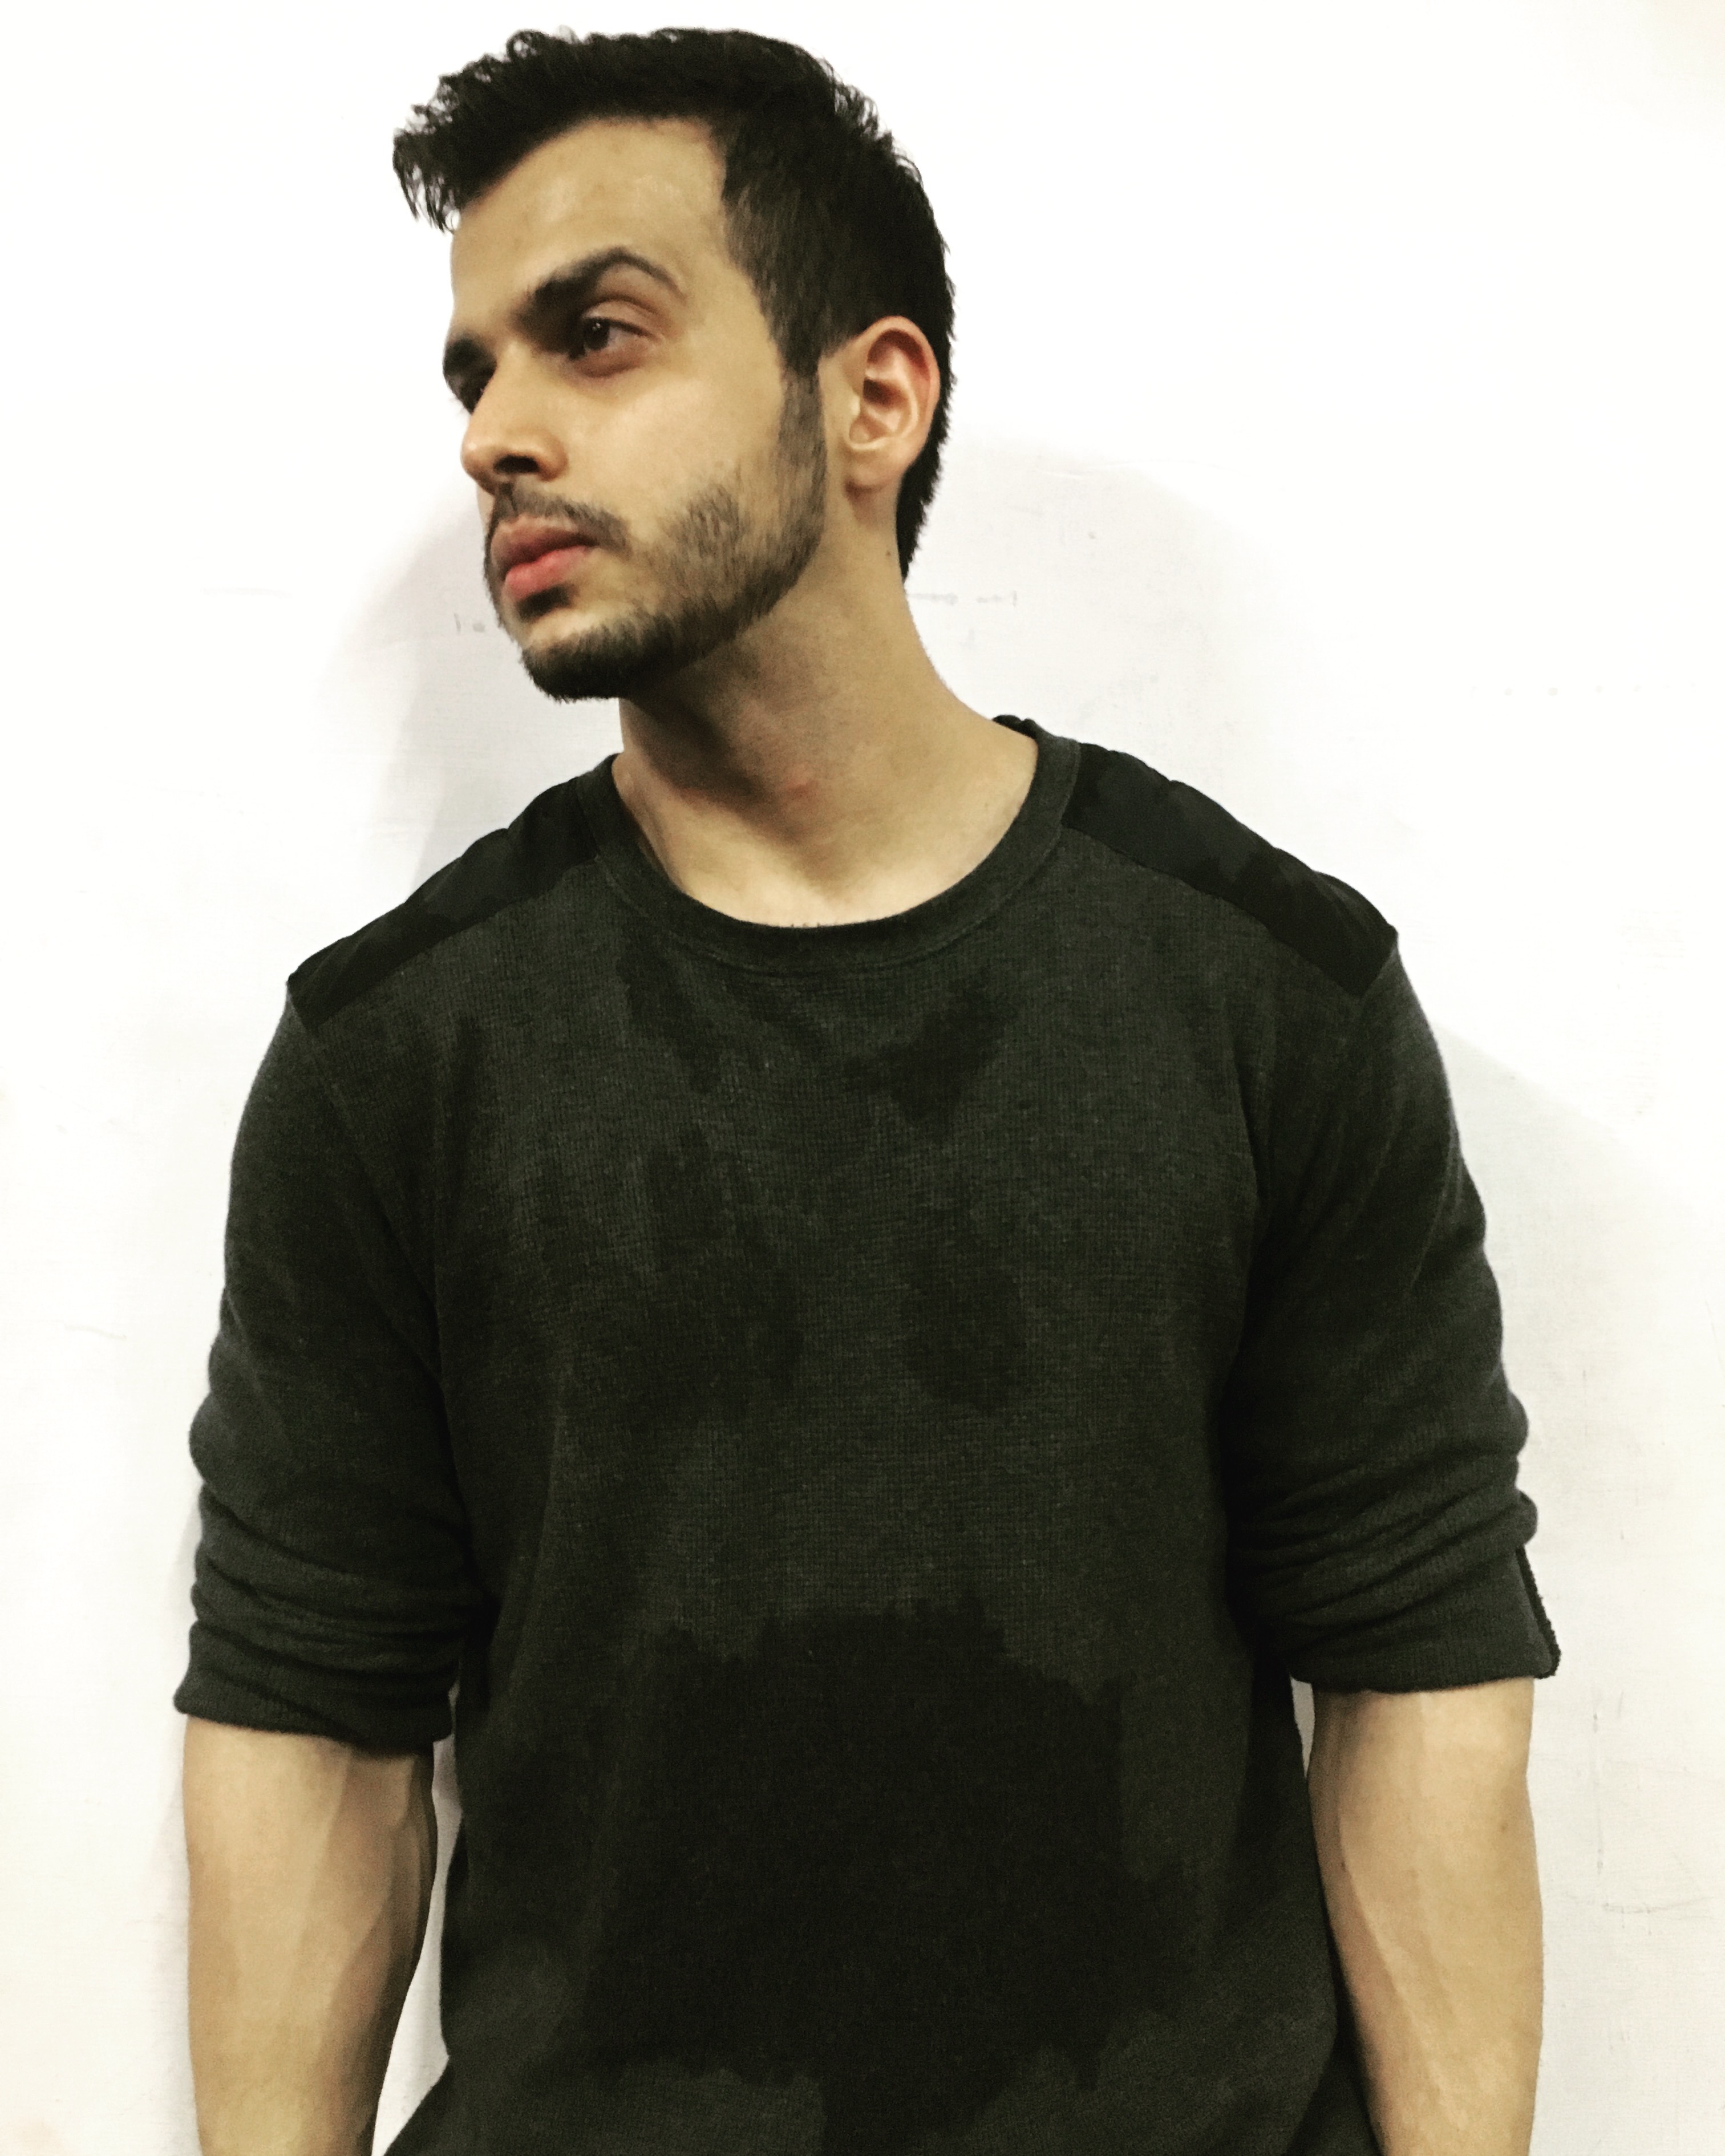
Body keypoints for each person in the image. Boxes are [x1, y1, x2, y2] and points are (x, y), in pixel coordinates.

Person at [175, 27, 1560, 2156]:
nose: (495, 435)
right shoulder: (394, 1057)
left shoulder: (1268, 993)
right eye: (475, 374)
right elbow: (317, 1734)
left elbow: (1420, 1670)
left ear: (874, 398)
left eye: (595, 336)